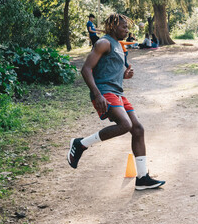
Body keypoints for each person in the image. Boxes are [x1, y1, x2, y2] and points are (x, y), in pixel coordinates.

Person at [68, 13, 165, 190]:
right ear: (113, 27)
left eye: (128, 27)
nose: (127, 30)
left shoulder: (118, 46)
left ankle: (142, 178)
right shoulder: (103, 43)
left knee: (138, 128)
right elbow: (86, 69)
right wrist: (97, 95)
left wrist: (124, 75)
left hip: (118, 93)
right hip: (104, 92)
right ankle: (80, 144)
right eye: (123, 27)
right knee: (125, 124)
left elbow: (109, 70)